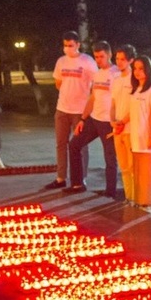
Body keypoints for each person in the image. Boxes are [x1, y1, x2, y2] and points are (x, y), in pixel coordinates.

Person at [67, 41, 120, 197]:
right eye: (96, 57)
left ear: (109, 55)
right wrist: (83, 119)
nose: (98, 60)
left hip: (108, 122)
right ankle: (77, 184)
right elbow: (92, 98)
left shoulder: (116, 74)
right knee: (74, 145)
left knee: (110, 158)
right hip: (94, 118)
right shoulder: (97, 74)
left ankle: (110, 191)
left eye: (101, 56)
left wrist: (116, 121)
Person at [43, 32, 96, 190]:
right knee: (61, 144)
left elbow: (95, 83)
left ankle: (82, 178)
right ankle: (60, 178)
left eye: (71, 45)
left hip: (80, 110)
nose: (67, 48)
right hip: (62, 108)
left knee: (80, 145)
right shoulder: (61, 61)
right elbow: (58, 82)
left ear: (78, 45)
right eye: (65, 45)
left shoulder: (87, 61)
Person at [126, 56, 151, 211]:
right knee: (138, 171)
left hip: (146, 135)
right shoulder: (135, 91)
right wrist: (121, 122)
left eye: (141, 69)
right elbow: (131, 112)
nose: (137, 72)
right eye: (135, 69)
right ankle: (141, 200)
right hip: (134, 136)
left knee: (150, 172)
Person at [111, 44, 138, 204]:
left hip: (129, 128)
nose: (119, 62)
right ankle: (129, 197)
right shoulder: (115, 79)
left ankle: (137, 197)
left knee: (132, 166)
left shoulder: (134, 79)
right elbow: (113, 103)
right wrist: (112, 121)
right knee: (124, 167)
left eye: (122, 59)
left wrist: (123, 122)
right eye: (117, 59)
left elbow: (135, 105)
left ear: (131, 60)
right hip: (117, 130)